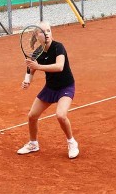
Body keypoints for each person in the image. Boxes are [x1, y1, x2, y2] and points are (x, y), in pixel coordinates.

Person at [17, 21, 79, 159]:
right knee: (32, 116)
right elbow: (30, 71)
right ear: (36, 36)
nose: (46, 34)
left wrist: (38, 67)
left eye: (48, 31)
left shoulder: (58, 47)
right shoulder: (37, 52)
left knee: (61, 115)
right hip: (50, 88)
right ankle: (33, 143)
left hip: (65, 87)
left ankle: (72, 142)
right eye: (42, 32)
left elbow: (59, 67)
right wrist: (27, 81)